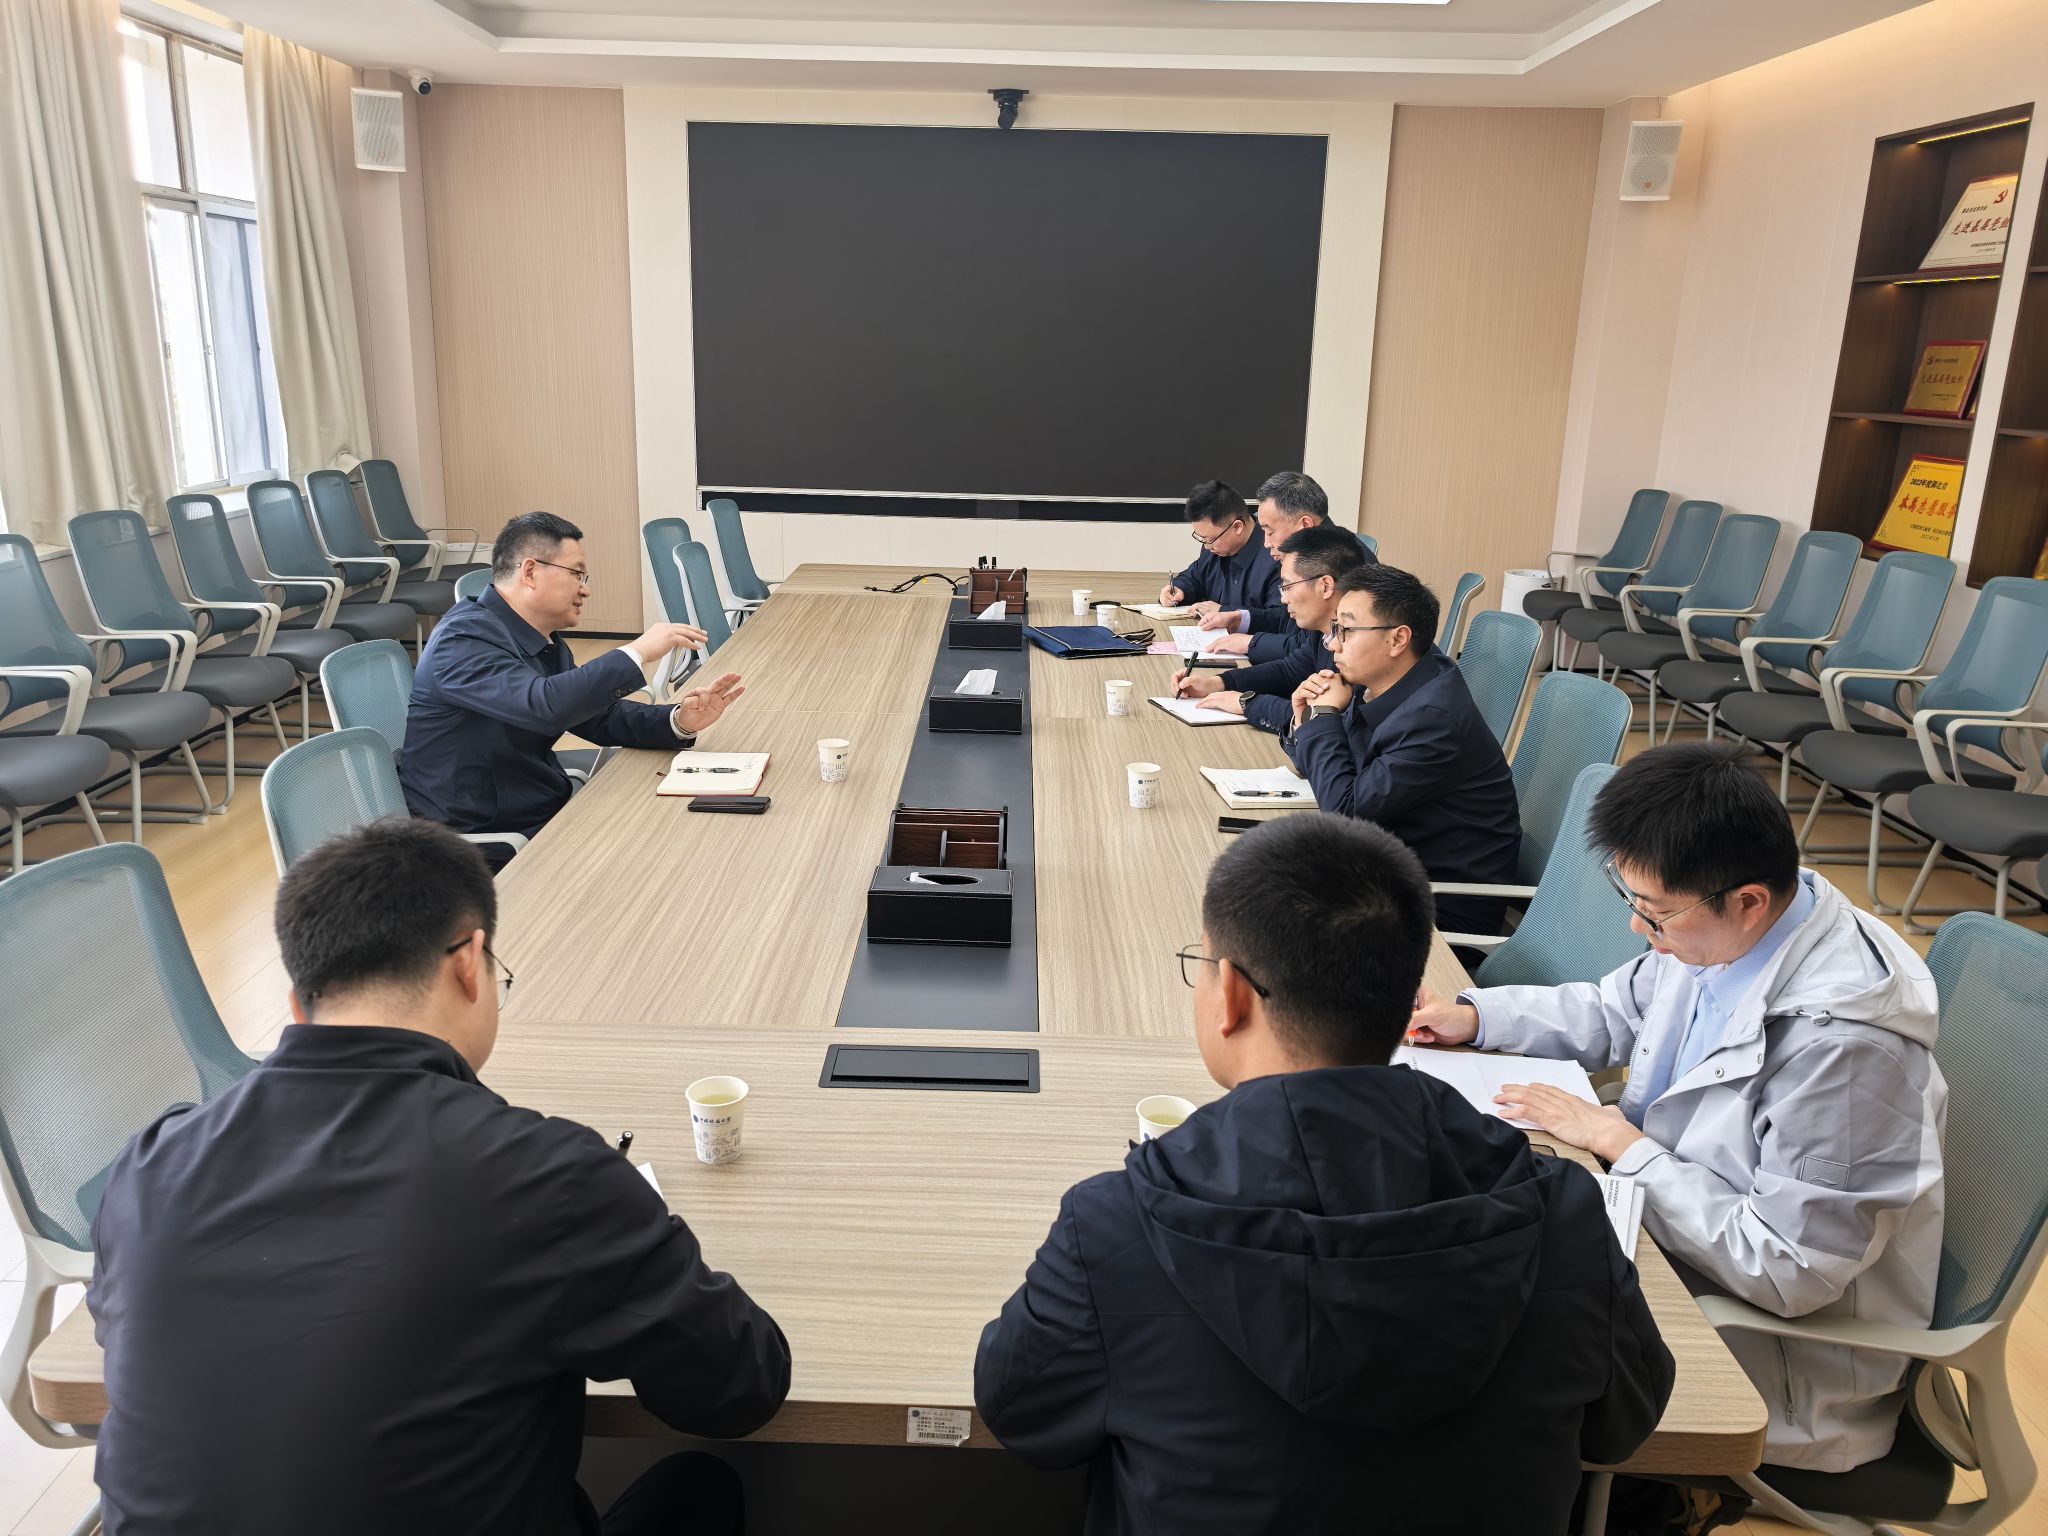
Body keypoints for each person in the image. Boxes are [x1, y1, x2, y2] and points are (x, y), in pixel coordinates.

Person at [975, 815, 1674, 1535]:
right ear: (1407, 1000)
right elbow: (1621, 1428)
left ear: (1231, 995)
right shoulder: (1564, 1216)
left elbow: (1021, 1415)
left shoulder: (1114, 1229)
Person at [90, 819, 792, 1535]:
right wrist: (632, 1231)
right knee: (699, 1485)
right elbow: (738, 1389)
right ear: (469, 964)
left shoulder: (148, 1167)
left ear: (299, 1003)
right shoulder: (545, 1177)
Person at [1410, 742, 1946, 1482]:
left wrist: (1625, 1147)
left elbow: (1790, 1269)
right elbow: (1613, 1009)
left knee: (1479, 1358)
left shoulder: (1846, 1051)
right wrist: (1477, 1018)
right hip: (1672, 1240)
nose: (1641, 931)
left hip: (1768, 1350)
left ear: (1749, 901)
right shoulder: (1734, 929)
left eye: (1655, 914)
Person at [401, 512, 746, 863]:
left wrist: (679, 721)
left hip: (534, 805)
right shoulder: (462, 639)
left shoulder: (534, 635)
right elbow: (542, 705)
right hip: (483, 838)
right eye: (576, 574)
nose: (586, 589)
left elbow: (595, 717)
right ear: (530, 571)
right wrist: (637, 652)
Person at [1284, 562, 1520, 936]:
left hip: (1433, 909)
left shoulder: (1432, 719)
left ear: (1397, 640)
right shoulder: (1391, 677)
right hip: (1384, 870)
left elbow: (1344, 811)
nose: (1333, 643)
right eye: (1335, 628)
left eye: (1346, 630)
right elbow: (1333, 771)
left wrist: (1324, 716)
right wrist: (1306, 720)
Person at [1167, 522, 1365, 732]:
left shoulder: (1361, 646)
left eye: (1288, 587)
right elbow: (1289, 672)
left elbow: (1333, 722)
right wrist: (1218, 683)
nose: (1284, 599)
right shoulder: (1325, 631)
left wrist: (1246, 703)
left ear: (1325, 586)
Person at [1197, 469, 1375, 658]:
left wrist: (1251, 643)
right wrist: (1241, 618)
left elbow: (1306, 649)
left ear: (1304, 525)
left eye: (1270, 531)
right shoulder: (1305, 553)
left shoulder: (1344, 565)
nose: (1266, 543)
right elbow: (1286, 621)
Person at [1158, 480, 1279, 618]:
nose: (1206, 546)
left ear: (1237, 527)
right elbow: (1195, 577)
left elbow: (1279, 618)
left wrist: (1224, 612)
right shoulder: (1212, 548)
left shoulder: (1275, 556)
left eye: (1210, 539)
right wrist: (1179, 589)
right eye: (1202, 539)